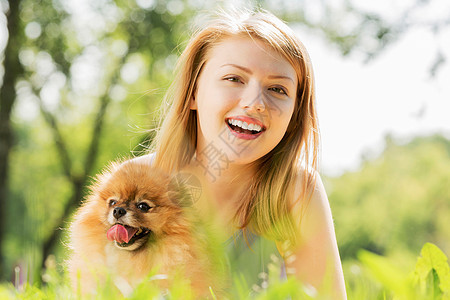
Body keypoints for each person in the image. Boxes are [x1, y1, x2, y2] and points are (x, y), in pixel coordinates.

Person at [136, 8, 347, 299]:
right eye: (234, 79)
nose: (255, 103)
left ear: (294, 115)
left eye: (277, 89)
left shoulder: (296, 190)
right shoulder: (134, 185)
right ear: (194, 92)